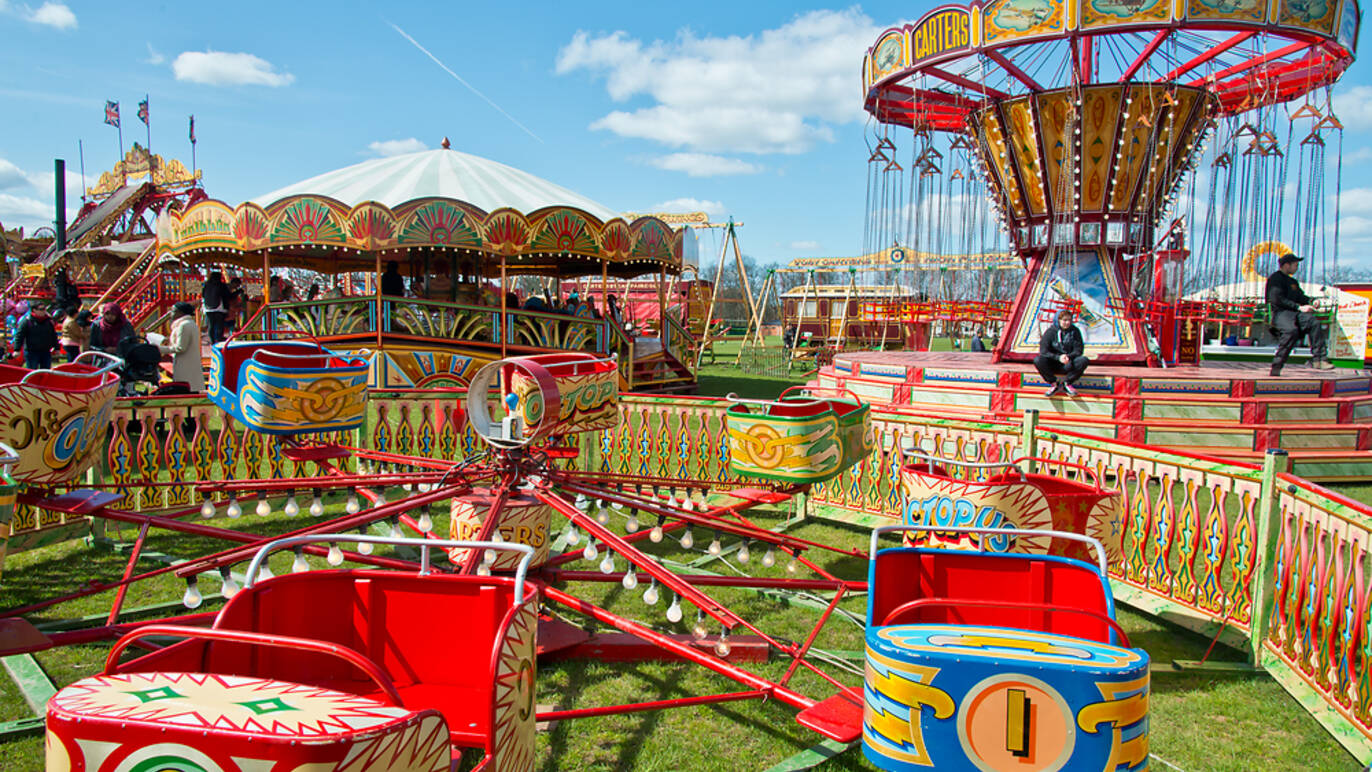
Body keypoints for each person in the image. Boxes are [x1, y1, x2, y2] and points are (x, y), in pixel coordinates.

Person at [1266, 253, 1331, 375]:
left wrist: (1311, 301)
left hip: (1295, 312)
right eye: (1295, 265)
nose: (1296, 268)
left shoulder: (1293, 282)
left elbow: (1300, 296)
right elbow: (1277, 299)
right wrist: (1298, 307)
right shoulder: (1275, 279)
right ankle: (1277, 364)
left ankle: (1319, 359)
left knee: (1314, 322)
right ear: (1286, 265)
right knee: (1291, 331)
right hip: (1281, 313)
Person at [1034, 309, 1088, 397]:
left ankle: (1067, 383)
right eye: (1064, 320)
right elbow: (1044, 351)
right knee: (1038, 360)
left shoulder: (1075, 331)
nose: (1067, 323)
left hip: (1068, 362)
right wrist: (1058, 357)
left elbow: (1078, 350)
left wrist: (1068, 356)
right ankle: (1053, 383)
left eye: (1069, 320)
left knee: (1083, 360)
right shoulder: (1050, 332)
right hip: (1053, 362)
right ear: (1058, 320)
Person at [159, 301, 205, 391]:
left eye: (173, 311)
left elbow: (180, 347)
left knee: (186, 389)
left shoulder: (184, 326)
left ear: (181, 313)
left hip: (185, 365)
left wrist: (160, 349)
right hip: (189, 363)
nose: (171, 313)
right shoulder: (190, 324)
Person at [13, 302, 58, 370]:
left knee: (46, 372)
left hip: (45, 351)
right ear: (34, 310)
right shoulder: (27, 321)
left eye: (44, 309)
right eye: (41, 309)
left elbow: (53, 335)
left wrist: (57, 348)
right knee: (32, 371)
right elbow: (19, 336)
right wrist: (17, 349)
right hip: (32, 352)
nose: (44, 311)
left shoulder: (48, 321)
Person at [202, 270, 228, 344]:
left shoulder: (207, 285)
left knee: (211, 325)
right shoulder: (221, 285)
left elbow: (203, 295)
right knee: (220, 325)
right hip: (219, 307)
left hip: (208, 308)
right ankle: (219, 340)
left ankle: (212, 340)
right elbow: (226, 295)